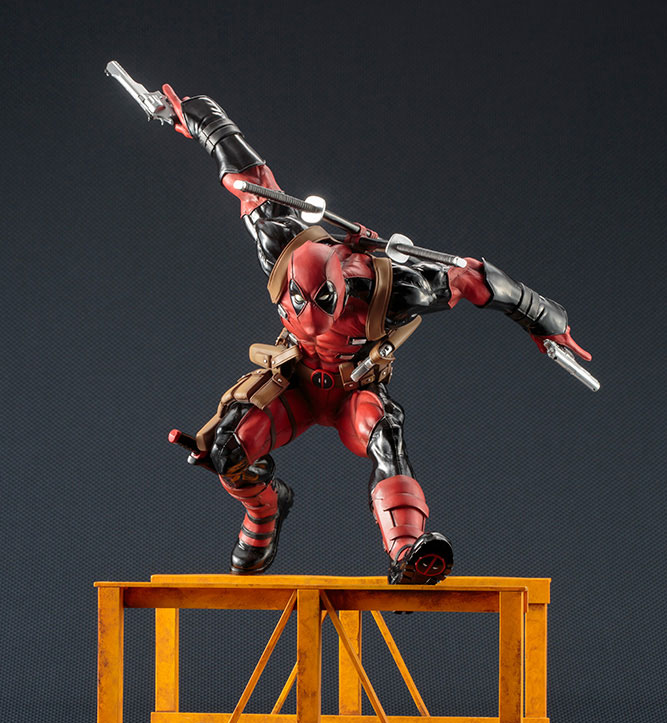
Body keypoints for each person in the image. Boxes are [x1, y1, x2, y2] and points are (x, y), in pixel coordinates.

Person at [161, 85, 592, 585]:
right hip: (294, 381)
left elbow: (473, 279)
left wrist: (547, 322)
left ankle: (407, 551)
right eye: (301, 299)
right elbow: (248, 173)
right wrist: (194, 113)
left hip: (353, 391)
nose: (313, 311)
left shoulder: (394, 288)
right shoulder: (278, 240)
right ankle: (265, 510)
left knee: (387, 436)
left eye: (329, 301)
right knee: (226, 450)